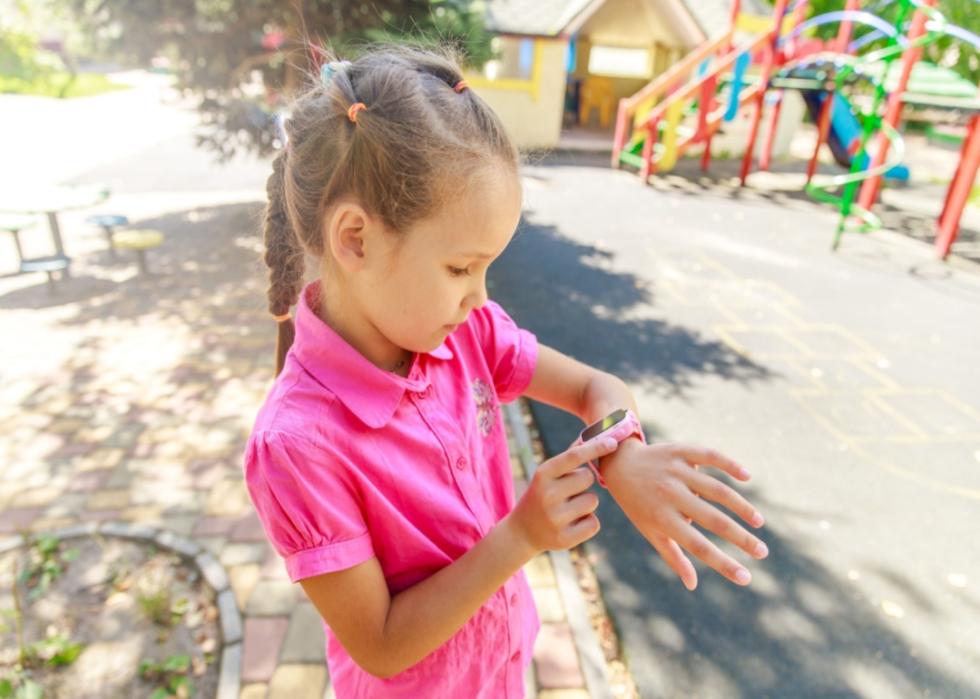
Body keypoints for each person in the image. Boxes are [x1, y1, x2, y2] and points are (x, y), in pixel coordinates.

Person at [243, 43, 769, 698]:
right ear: (355, 238)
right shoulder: (296, 443)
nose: (481, 297)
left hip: (499, 674)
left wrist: (620, 453)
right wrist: (520, 535)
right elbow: (379, 644)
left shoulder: (468, 333)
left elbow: (591, 388)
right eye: (461, 268)